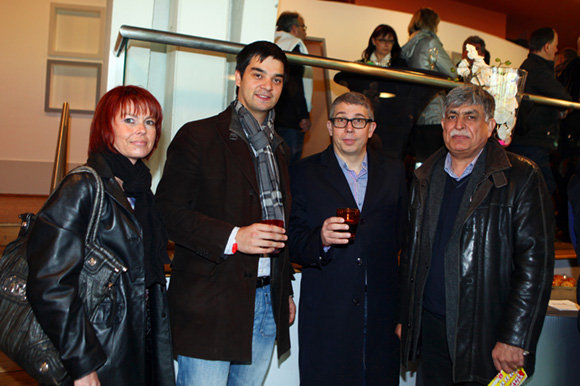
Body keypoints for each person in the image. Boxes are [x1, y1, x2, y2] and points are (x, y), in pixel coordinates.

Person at [155, 41, 295, 386]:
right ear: (237, 77)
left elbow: (281, 225)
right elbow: (168, 213)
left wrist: (285, 291)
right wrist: (235, 237)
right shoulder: (199, 136)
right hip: (210, 303)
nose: (267, 86)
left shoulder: (279, 148)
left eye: (277, 80)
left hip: (265, 302)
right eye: (258, 74)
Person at [397, 85, 555, 385]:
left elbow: (535, 266)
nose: (459, 125)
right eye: (452, 116)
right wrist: (408, 317)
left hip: (487, 335)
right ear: (442, 124)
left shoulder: (521, 177)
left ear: (491, 125)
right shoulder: (424, 177)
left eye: (471, 116)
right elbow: (412, 254)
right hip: (430, 330)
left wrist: (515, 336)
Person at [26, 86, 175, 386]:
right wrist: (82, 365)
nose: (142, 130)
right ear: (106, 127)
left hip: (137, 339)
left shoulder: (141, 191)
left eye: (150, 122)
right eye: (130, 120)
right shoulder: (82, 186)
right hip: (98, 347)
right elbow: (50, 285)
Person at [289, 92, 407, 385]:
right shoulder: (303, 172)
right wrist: (321, 238)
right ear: (329, 127)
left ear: (371, 128)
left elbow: (405, 241)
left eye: (358, 121)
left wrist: (405, 310)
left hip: (381, 311)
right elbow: (291, 241)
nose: (350, 129)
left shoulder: (394, 172)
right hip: (328, 313)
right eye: (341, 120)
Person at [509, 27, 572, 196]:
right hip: (533, 139)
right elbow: (563, 98)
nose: (557, 50)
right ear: (546, 47)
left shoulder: (529, 66)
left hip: (527, 137)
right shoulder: (539, 70)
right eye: (555, 45)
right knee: (543, 187)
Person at [401, 7, 457, 162]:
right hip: (433, 111)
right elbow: (453, 73)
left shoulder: (408, 47)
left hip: (415, 112)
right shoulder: (430, 43)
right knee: (435, 162)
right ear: (433, 24)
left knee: (419, 162)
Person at [274, 11, 313, 166]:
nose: (305, 31)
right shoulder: (294, 45)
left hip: (273, 114)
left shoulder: (272, 41)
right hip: (291, 118)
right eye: (304, 27)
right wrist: (303, 115)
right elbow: (295, 83)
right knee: (289, 166)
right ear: (294, 29)